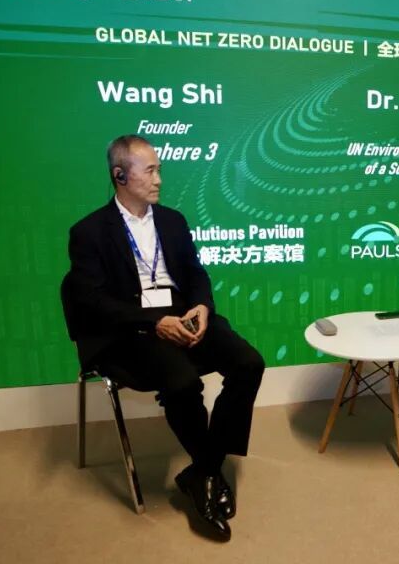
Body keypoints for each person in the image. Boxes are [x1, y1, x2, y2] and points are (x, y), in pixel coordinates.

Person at [63, 134, 264, 539]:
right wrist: (152, 322)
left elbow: (195, 274)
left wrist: (202, 306)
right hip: (131, 330)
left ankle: (203, 470)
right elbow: (93, 300)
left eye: (159, 170)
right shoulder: (90, 231)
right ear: (120, 175)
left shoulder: (172, 220)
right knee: (182, 382)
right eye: (150, 171)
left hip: (182, 317)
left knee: (249, 363)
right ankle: (208, 476)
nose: (159, 179)